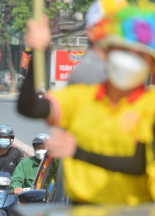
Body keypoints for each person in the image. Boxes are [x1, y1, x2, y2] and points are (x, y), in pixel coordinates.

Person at [19, 3, 155, 204]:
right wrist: (38, 53)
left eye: (139, 54)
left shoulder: (150, 106)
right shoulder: (81, 97)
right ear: (107, 50)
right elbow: (30, 107)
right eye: (123, 50)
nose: (129, 60)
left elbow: (139, 163)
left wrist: (77, 151)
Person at [67, 0, 127, 85]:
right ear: (91, 32)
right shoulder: (88, 72)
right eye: (111, 24)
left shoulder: (116, 66)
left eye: (123, 24)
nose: (119, 31)